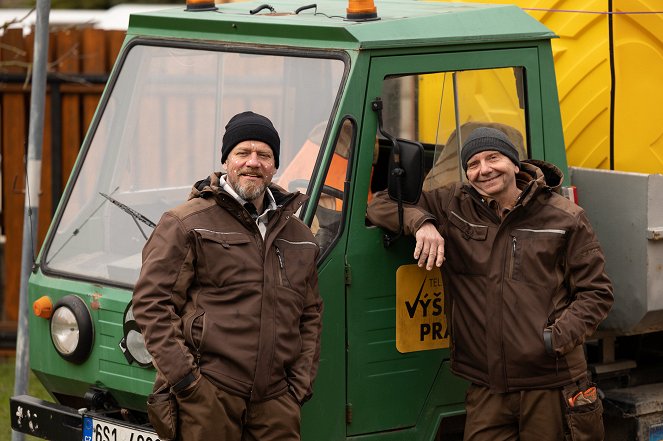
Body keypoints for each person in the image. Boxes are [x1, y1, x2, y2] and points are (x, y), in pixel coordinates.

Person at [367, 126, 613, 441]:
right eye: (473, 163)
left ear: (514, 163)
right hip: (487, 389)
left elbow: (597, 294)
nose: (483, 170)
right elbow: (381, 205)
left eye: (493, 158)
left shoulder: (565, 218)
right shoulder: (454, 204)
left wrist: (553, 339)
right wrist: (422, 223)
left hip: (549, 383)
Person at [133, 111, 323, 441]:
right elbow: (152, 304)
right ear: (226, 161)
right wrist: (187, 383)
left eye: (264, 154)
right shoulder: (186, 223)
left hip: (277, 402)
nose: (253, 162)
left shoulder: (300, 236)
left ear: (274, 165)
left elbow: (309, 315)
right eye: (243, 152)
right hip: (209, 397)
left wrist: (298, 387)